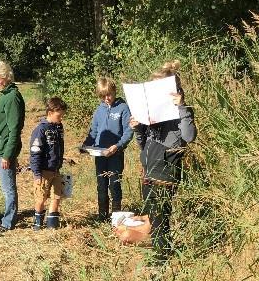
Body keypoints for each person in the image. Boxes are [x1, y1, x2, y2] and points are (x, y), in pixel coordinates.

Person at [130, 60, 197, 261]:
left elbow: (189, 137)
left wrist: (182, 107)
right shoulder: (152, 113)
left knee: (160, 218)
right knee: (153, 216)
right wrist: (138, 128)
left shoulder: (181, 112)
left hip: (166, 171)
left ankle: (161, 261)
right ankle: (161, 253)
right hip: (148, 169)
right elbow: (143, 144)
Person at [82, 77, 133, 221]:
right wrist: (86, 145)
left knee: (114, 183)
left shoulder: (123, 108)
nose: (106, 98)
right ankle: (102, 216)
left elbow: (129, 131)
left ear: (114, 91)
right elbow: (93, 132)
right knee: (101, 184)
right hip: (100, 154)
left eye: (109, 94)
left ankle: (116, 217)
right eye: (103, 96)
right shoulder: (99, 110)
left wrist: (117, 146)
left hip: (115, 153)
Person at [0, 61, 26, 231]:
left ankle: (8, 222)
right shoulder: (4, 95)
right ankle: (8, 216)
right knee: (5, 187)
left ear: (4, 77)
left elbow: (14, 130)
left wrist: (7, 155)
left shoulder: (12, 98)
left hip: (4, 152)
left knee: (8, 188)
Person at [29, 96, 68, 230]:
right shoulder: (40, 130)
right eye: (59, 115)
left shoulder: (59, 128)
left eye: (63, 115)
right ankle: (38, 223)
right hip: (43, 171)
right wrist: (37, 173)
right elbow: (35, 152)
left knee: (56, 196)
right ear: (50, 113)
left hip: (56, 169)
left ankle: (52, 224)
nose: (61, 118)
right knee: (41, 198)